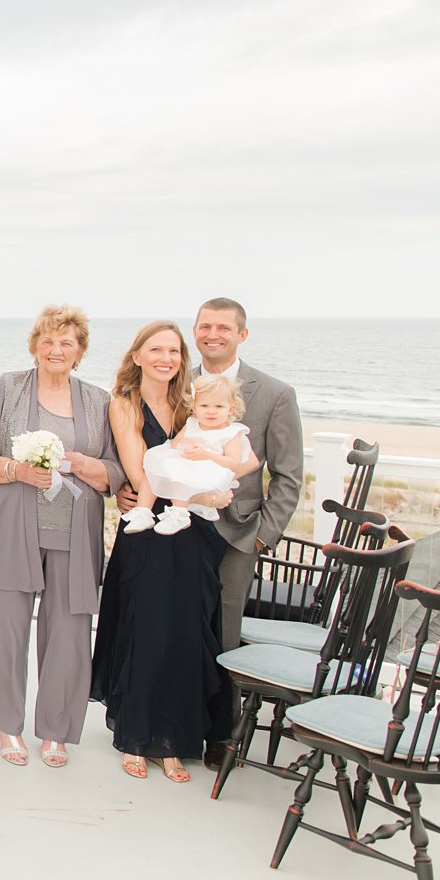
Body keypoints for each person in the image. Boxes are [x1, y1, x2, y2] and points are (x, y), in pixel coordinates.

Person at [0, 304, 123, 768]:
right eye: (48, 341)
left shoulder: (98, 399)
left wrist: (85, 465)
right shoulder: (9, 388)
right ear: (35, 345)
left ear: (80, 352)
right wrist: (16, 470)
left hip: (75, 530)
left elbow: (114, 471)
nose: (56, 349)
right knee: (8, 626)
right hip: (14, 524)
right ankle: (9, 726)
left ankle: (56, 730)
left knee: (70, 630)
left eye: (67, 343)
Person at [91, 321, 235, 782]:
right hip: (149, 534)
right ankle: (137, 735)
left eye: (174, 350)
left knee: (183, 636)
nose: (166, 358)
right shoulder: (124, 404)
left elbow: (224, 454)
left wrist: (214, 491)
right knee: (146, 632)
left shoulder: (193, 404)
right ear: (137, 355)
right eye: (156, 349)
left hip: (194, 538)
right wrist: (206, 494)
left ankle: (173, 739)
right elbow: (140, 471)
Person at [185, 297, 303, 771]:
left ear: (242, 334)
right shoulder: (178, 383)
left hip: (239, 532)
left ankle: (224, 736)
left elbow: (288, 475)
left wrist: (263, 536)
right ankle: (181, 723)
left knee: (226, 634)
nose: (212, 334)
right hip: (183, 526)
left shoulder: (274, 393)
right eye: (204, 326)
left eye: (223, 327)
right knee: (182, 628)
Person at [119, 373, 259, 536]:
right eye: (204, 406)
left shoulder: (230, 433)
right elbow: (175, 443)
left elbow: (233, 462)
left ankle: (179, 513)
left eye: (219, 407)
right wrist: (185, 446)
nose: (211, 412)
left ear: (231, 409)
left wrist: (206, 454)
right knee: (154, 471)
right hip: (187, 459)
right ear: (194, 407)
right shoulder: (192, 423)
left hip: (210, 470)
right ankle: (143, 512)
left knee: (183, 476)